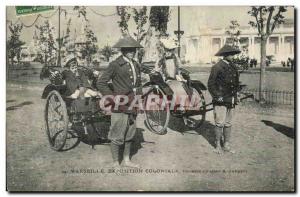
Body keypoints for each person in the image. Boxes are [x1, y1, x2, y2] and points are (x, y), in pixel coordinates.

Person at [97, 35, 143, 168]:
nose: (132, 52)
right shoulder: (115, 65)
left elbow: (138, 84)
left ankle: (127, 160)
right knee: (117, 133)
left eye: (133, 50)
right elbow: (101, 83)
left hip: (133, 103)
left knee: (130, 133)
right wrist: (113, 98)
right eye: (129, 50)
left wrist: (139, 100)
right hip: (120, 104)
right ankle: (115, 162)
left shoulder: (135, 64)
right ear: (122, 50)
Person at [208, 45, 241, 154]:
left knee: (228, 123)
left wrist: (237, 94)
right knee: (219, 123)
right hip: (221, 99)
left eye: (233, 54)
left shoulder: (233, 67)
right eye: (231, 54)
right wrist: (217, 96)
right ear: (225, 55)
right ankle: (217, 144)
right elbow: (211, 84)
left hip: (231, 99)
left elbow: (236, 83)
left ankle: (226, 144)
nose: (233, 56)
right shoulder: (217, 67)